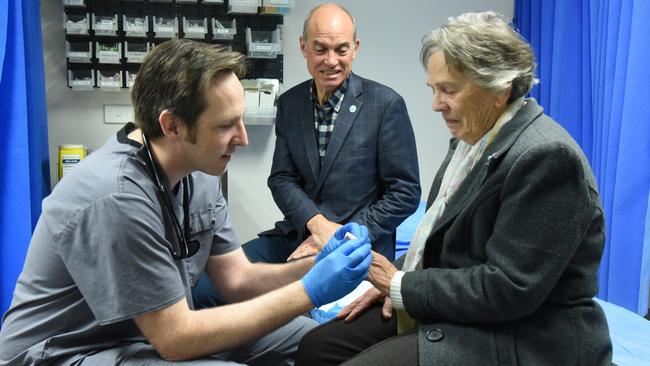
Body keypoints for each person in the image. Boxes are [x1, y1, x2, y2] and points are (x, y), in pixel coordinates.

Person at [0, 38, 374, 366]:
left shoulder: (197, 172)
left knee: (318, 343)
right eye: (225, 125)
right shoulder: (116, 197)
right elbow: (176, 338)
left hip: (150, 338)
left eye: (240, 120)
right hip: (67, 353)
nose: (242, 138)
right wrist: (309, 290)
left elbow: (237, 280)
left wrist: (314, 265)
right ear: (172, 125)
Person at [295, 11, 613, 366]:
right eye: (434, 89)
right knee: (316, 348)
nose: (436, 104)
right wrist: (396, 280)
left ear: (499, 87)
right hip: (468, 311)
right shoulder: (471, 139)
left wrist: (401, 285)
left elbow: (509, 289)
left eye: (449, 89)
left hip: (524, 335)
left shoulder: (546, 157)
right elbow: (441, 243)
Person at [194, 2, 421, 308]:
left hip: (357, 247)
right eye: (320, 49)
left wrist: (340, 235)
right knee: (203, 290)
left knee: (316, 325)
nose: (331, 60)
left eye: (341, 49)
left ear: (355, 48)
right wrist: (316, 224)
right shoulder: (291, 103)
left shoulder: (385, 105)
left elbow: (405, 192)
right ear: (303, 47)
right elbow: (282, 178)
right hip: (297, 234)